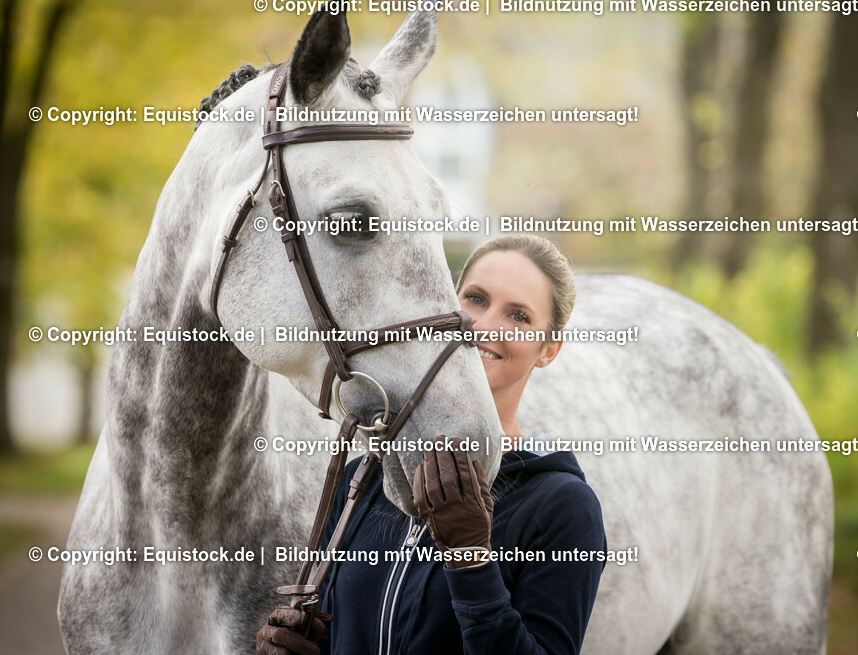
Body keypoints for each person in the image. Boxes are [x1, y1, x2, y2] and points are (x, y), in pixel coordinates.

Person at [257, 234, 607, 655]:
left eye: (518, 316)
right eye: (475, 299)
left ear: (548, 350)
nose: (484, 325)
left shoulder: (564, 507)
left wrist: (470, 558)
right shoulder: (364, 479)